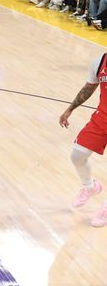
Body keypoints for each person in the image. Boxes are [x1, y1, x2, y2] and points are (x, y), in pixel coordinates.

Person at [59, 54, 107, 227]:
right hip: (102, 118)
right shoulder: (100, 62)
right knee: (77, 155)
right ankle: (90, 186)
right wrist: (70, 109)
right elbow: (89, 87)